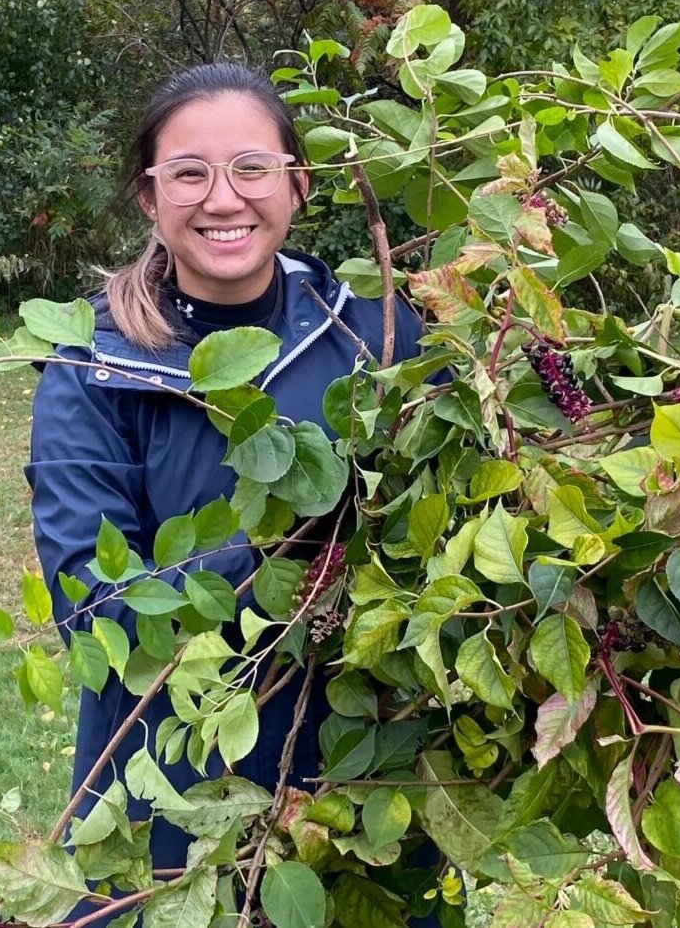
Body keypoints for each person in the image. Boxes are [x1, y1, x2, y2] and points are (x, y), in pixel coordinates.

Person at [25, 64, 428, 925]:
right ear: (149, 196)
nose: (223, 198)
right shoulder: (95, 368)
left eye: (251, 167)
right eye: (189, 173)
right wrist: (284, 559)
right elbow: (93, 604)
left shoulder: (376, 333)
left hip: (367, 751)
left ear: (298, 182)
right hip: (177, 758)